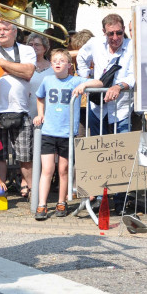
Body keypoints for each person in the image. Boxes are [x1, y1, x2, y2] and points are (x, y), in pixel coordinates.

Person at [33, 49, 102, 220]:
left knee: (63, 170)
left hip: (67, 133)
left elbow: (99, 83)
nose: (57, 63)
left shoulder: (75, 80)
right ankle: (42, 204)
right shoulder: (47, 80)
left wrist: (84, 85)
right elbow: (39, 97)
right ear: (51, 64)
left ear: (69, 66)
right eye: (55, 60)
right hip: (49, 131)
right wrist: (40, 114)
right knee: (47, 169)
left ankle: (61, 202)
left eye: (62, 61)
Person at [0, 21, 36, 198]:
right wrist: (15, 69)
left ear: (14, 32)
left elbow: (28, 72)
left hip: (20, 110)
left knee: (25, 156)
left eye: (5, 29)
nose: (1, 32)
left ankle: (34, 193)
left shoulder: (26, 50)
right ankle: (0, 192)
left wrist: (1, 64)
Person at [76, 14, 134, 135]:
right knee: (98, 149)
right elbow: (81, 57)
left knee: (122, 150)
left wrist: (118, 87)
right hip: (97, 108)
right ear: (104, 32)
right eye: (110, 34)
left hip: (121, 109)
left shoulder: (132, 46)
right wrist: (86, 79)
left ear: (123, 29)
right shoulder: (95, 43)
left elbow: (133, 75)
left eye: (119, 33)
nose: (115, 37)